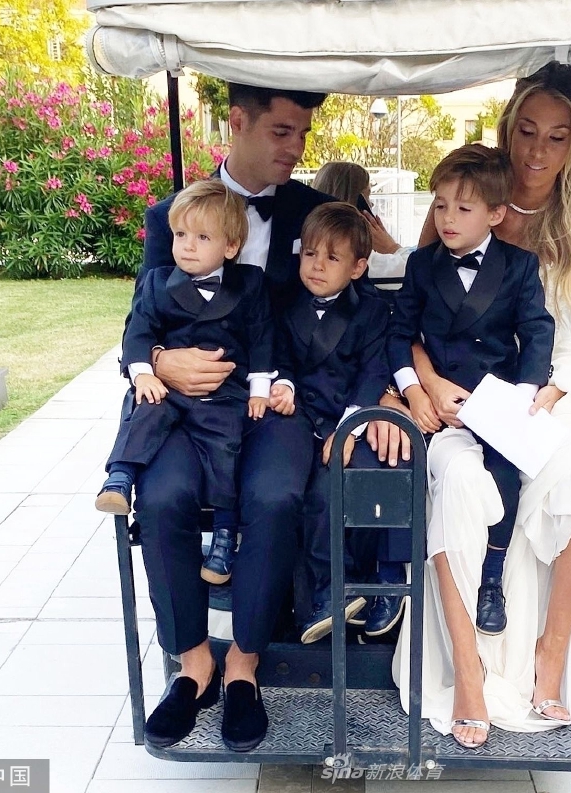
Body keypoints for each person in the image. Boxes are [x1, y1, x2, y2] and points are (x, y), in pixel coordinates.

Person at [132, 83, 409, 755]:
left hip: (278, 400)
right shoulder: (173, 216)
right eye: (282, 131)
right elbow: (143, 312)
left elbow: (361, 307)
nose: (296, 147)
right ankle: (192, 664)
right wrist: (161, 361)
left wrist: (389, 389)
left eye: (303, 134)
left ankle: (243, 665)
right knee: (163, 496)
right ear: (237, 122)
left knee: (276, 493)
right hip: (190, 403)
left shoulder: (313, 212)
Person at [394, 61, 571, 750]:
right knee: (463, 479)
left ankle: (549, 650)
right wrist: (423, 383)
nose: (537, 151)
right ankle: (467, 667)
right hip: (464, 393)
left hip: (555, 388)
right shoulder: (461, 203)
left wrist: (548, 392)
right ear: (508, 130)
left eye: (557, 137)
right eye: (527, 131)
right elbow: (414, 320)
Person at [388, 142, 554, 651]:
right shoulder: (422, 265)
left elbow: (537, 331)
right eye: (440, 205)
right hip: (440, 404)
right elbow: (399, 334)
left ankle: (492, 576)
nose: (447, 218)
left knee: (505, 472)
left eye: (463, 208)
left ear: (495, 214)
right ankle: (400, 583)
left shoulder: (519, 266)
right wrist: (415, 389)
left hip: (496, 398)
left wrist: (522, 397)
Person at [96, 181, 274, 537]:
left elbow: (261, 338)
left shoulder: (249, 283)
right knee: (145, 410)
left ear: (231, 246)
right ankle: (119, 477)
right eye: (180, 235)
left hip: (224, 394)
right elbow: (139, 331)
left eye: (202, 237)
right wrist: (144, 373)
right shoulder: (158, 282)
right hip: (170, 389)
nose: (188, 246)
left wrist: (259, 388)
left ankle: (224, 533)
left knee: (226, 446)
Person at [266, 202, 394, 644]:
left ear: (358, 267)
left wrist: (348, 428)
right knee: (296, 489)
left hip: (346, 417)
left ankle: (345, 587)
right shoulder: (285, 304)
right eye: (309, 254)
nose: (317, 266)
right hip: (301, 417)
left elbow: (373, 371)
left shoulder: (373, 311)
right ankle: (324, 594)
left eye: (332, 258)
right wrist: (283, 384)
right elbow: (279, 356)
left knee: (335, 488)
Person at [311, 161, 414, 280]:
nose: (371, 204)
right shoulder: (360, 257)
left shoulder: (310, 245)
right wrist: (391, 248)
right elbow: (415, 269)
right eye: (367, 197)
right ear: (356, 204)